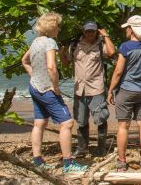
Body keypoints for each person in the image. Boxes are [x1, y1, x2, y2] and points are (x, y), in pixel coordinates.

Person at [21, 12, 87, 173]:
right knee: (67, 123)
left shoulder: (36, 41)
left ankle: (37, 160)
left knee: (40, 123)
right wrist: (55, 87)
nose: (59, 28)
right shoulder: (50, 42)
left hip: (34, 86)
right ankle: (68, 163)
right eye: (58, 25)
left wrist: (34, 76)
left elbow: (24, 61)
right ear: (52, 27)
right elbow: (51, 67)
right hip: (46, 89)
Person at [59, 21, 115, 158]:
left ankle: (102, 149)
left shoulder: (101, 45)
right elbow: (66, 63)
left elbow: (112, 52)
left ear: (96, 32)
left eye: (93, 31)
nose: (90, 34)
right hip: (80, 89)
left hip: (96, 88)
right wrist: (61, 53)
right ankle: (82, 148)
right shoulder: (74, 46)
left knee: (100, 119)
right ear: (83, 32)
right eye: (87, 31)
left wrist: (106, 35)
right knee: (81, 120)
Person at [107, 15, 141, 170]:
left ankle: (121, 162)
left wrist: (110, 90)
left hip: (127, 89)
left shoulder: (125, 47)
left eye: (128, 28)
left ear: (132, 30)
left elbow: (118, 72)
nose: (126, 30)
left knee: (123, 126)